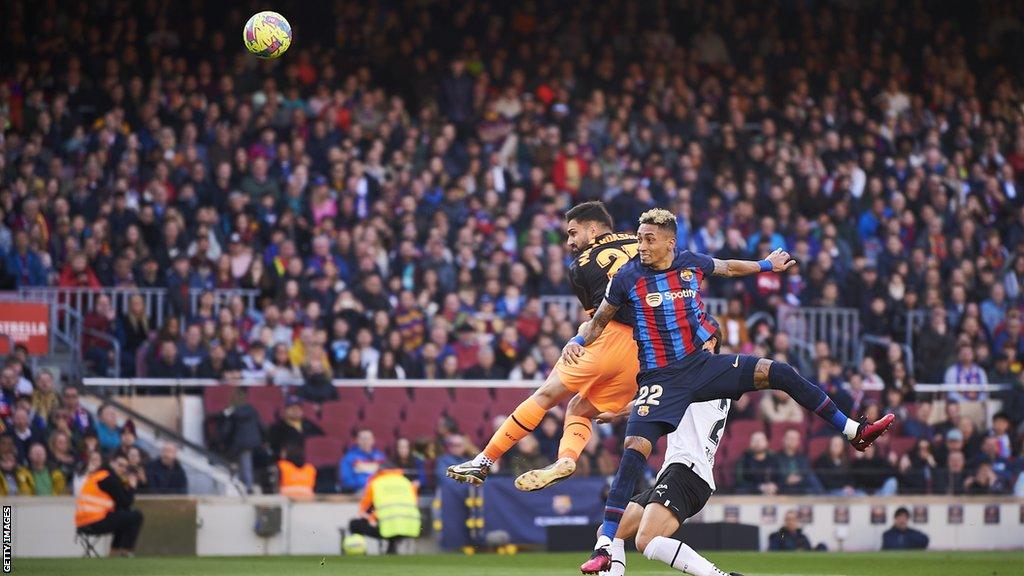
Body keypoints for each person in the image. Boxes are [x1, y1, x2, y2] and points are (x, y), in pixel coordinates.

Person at [579, 209, 893, 573]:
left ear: (669, 242)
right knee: (628, 486)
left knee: (778, 371)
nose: (641, 245)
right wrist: (577, 342)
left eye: (649, 239)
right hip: (663, 383)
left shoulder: (691, 279)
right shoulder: (629, 276)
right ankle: (606, 552)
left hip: (690, 437)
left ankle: (852, 429)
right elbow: (600, 319)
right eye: (639, 237)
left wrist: (765, 266)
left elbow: (725, 267)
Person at [447, 202, 641, 489]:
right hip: (646, 348)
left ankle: (484, 460)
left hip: (610, 337)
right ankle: (567, 458)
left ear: (592, 228)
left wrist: (578, 338)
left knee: (546, 396)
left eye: (573, 233)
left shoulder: (582, 264)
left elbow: (600, 318)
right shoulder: (643, 243)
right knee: (579, 408)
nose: (570, 242)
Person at [607, 333, 744, 576]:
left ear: (711, 343)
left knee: (646, 540)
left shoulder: (705, 374)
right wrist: (618, 411)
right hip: (677, 471)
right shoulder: (707, 376)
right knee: (610, 533)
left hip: (689, 471)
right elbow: (656, 400)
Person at [75, 453, 145, 557]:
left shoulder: (100, 475)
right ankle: (127, 551)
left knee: (123, 516)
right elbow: (126, 502)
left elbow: (120, 503)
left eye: (125, 466)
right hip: (94, 521)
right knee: (137, 516)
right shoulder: (109, 478)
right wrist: (132, 486)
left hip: (83, 521)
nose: (123, 469)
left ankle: (114, 553)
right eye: (120, 465)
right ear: (112, 463)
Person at [348, 465, 421, 554]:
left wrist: (372, 518)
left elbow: (363, 510)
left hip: (389, 527)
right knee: (392, 521)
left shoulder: (376, 483)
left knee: (354, 524)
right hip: (412, 527)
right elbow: (415, 504)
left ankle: (359, 550)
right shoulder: (406, 482)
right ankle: (391, 548)